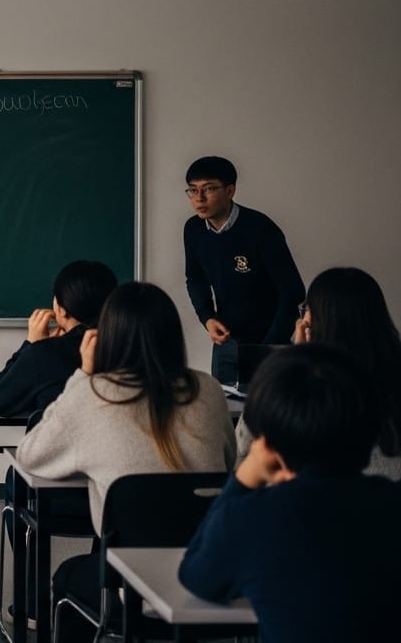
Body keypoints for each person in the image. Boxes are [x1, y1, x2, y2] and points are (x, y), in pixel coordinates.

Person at [179, 345, 401, 643]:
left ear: (267, 441)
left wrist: (242, 481)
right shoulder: (391, 504)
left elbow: (197, 578)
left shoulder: (254, 518)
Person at [16, 282, 237, 534]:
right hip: (203, 550)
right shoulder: (208, 390)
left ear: (106, 336)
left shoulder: (92, 393)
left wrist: (83, 375)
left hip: (124, 554)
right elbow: (228, 460)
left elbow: (30, 456)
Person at [234, 267, 401, 479]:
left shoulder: (299, 384)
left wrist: (294, 360)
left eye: (306, 308)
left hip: (312, 497)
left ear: (315, 322)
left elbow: (243, 445)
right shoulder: (389, 379)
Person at [182, 155, 304, 384]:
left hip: (268, 339)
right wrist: (207, 318)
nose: (199, 198)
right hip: (226, 341)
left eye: (208, 189)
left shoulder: (260, 228)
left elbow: (293, 291)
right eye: (193, 190)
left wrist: (268, 347)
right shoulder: (193, 229)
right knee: (225, 404)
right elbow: (195, 278)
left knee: (265, 404)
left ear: (230, 191)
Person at [0, 260, 118, 417]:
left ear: (62, 309)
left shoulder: (46, 354)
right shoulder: (127, 347)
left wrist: (31, 344)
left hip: (62, 433)